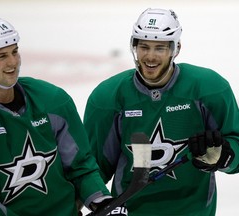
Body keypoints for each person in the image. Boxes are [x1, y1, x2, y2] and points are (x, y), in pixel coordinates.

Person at [0, 16, 127, 216]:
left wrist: (102, 201)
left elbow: (81, 166)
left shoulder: (52, 100)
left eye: (15, 52)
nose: (13, 62)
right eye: (1, 56)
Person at [83, 8, 239, 216]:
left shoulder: (209, 88)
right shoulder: (107, 98)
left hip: (193, 211)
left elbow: (236, 147)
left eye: (160, 48)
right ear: (134, 47)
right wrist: (100, 202)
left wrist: (224, 156)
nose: (150, 56)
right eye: (144, 46)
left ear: (176, 49)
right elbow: (91, 167)